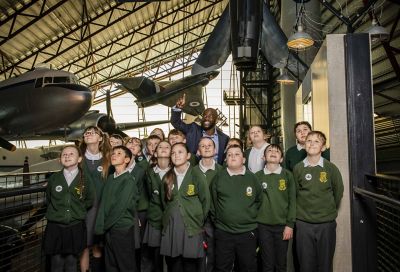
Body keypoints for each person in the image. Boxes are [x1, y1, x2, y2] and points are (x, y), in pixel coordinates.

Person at [293, 131, 344, 272]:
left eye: (316, 141)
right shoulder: (298, 168)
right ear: (304, 145)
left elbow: (338, 191)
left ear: (323, 147)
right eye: (309, 140)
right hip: (304, 223)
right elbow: (295, 193)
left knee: (325, 264)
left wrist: (326, 208)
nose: (312, 143)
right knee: (305, 264)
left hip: (326, 223)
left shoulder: (331, 168)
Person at [210, 145, 262, 272]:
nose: (233, 156)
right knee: (222, 267)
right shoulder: (218, 178)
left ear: (244, 160)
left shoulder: (253, 178)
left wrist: (250, 216)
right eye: (229, 154)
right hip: (224, 232)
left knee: (248, 266)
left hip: (248, 232)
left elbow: (259, 200)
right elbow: (212, 202)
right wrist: (219, 221)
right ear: (225, 160)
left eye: (237, 154)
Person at [160, 143, 210, 272]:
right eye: (173, 153)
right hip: (172, 227)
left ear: (188, 155)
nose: (176, 155)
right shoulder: (167, 177)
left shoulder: (197, 174)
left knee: (190, 265)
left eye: (180, 152)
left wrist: (197, 218)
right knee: (174, 264)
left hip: (191, 227)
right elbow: (164, 202)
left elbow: (206, 201)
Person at [44, 145, 95, 272]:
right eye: (64, 155)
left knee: (72, 263)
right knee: (56, 263)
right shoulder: (54, 179)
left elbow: (90, 199)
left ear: (79, 159)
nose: (67, 156)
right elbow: (49, 199)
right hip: (55, 227)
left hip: (75, 226)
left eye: (71, 154)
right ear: (60, 160)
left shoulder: (86, 179)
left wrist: (78, 210)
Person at [95, 146, 138, 272]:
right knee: (111, 264)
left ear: (126, 160)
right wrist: (100, 227)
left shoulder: (128, 180)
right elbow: (103, 205)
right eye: (113, 153)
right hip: (109, 229)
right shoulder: (110, 179)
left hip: (121, 229)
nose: (114, 155)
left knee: (125, 264)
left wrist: (104, 226)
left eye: (119, 153)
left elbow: (120, 208)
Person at [255, 144, 296, 272]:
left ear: (281, 159)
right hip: (262, 226)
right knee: (267, 263)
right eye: (270, 150)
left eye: (277, 151)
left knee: (281, 263)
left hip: (282, 226)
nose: (273, 152)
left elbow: (292, 201)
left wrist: (290, 224)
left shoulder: (287, 175)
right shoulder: (257, 176)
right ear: (263, 157)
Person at [79, 126, 111, 272]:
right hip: (82, 209)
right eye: (86, 132)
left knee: (98, 246)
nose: (88, 134)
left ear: (100, 138)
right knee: (84, 246)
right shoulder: (78, 158)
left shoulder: (108, 160)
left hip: (101, 209)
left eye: (93, 132)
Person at [170, 94, 229, 165]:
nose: (206, 118)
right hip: (194, 173)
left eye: (210, 116)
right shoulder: (192, 129)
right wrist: (177, 108)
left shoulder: (224, 139)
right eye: (205, 116)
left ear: (216, 121)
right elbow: (176, 122)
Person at [193, 137, 223, 272]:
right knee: (197, 254)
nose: (206, 147)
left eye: (210, 145)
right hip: (196, 219)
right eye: (202, 146)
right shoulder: (191, 172)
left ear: (215, 150)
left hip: (216, 219)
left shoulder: (222, 171)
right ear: (198, 151)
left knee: (214, 253)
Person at [142, 141, 172, 272]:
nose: (164, 149)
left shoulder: (176, 171)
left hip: (172, 219)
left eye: (167, 147)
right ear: (155, 153)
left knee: (172, 256)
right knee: (156, 256)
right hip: (155, 218)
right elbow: (149, 193)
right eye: (160, 147)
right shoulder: (149, 172)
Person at [125, 136, 147, 271]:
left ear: (140, 151)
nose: (132, 144)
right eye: (129, 142)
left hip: (135, 214)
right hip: (118, 215)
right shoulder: (112, 168)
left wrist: (136, 216)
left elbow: (141, 195)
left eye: (137, 143)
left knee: (136, 246)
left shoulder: (141, 171)